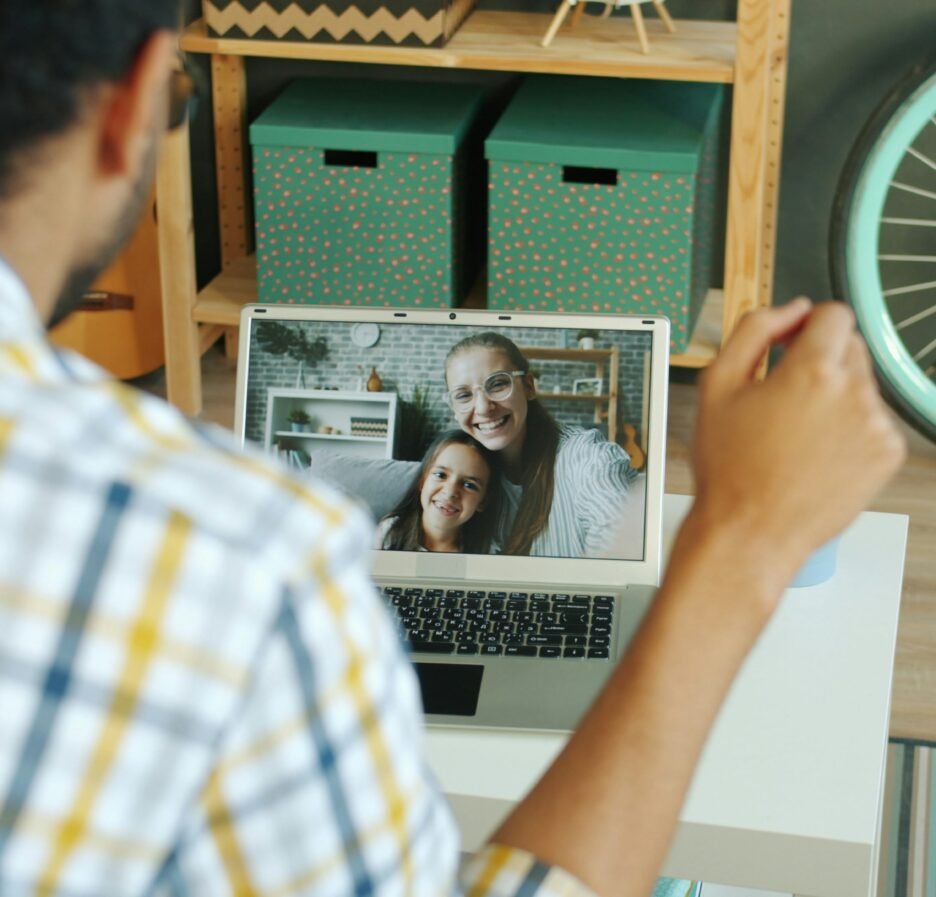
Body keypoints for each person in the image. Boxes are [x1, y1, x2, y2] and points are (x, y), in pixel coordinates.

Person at [0, 4, 907, 897]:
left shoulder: (569, 472)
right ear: (128, 111)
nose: (479, 417)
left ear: (529, 389)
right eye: (464, 401)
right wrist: (741, 539)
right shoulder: (252, 553)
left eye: (500, 385)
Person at [444, 332, 637, 557]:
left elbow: (617, 537)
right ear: (454, 409)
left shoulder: (587, 457)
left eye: (497, 385)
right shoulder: (460, 475)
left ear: (528, 386)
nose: (484, 408)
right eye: (464, 395)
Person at [375, 429, 501, 552]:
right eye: (440, 475)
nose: (450, 492)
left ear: (483, 501)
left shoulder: (488, 552)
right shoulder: (389, 533)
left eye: (469, 485)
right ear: (422, 481)